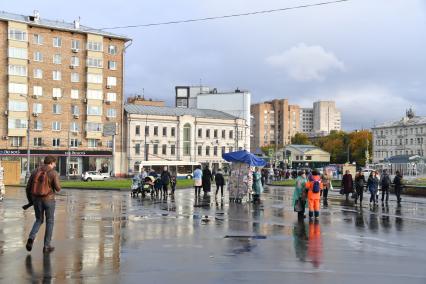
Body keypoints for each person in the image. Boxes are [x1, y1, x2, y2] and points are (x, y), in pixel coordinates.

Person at [25, 156, 61, 253]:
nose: (55, 165)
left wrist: (30, 201)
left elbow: (28, 188)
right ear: (52, 162)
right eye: (55, 163)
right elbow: (58, 188)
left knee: (38, 220)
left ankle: (31, 238)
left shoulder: (35, 171)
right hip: (49, 200)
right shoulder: (53, 173)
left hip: (36, 200)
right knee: (50, 221)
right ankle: (46, 246)